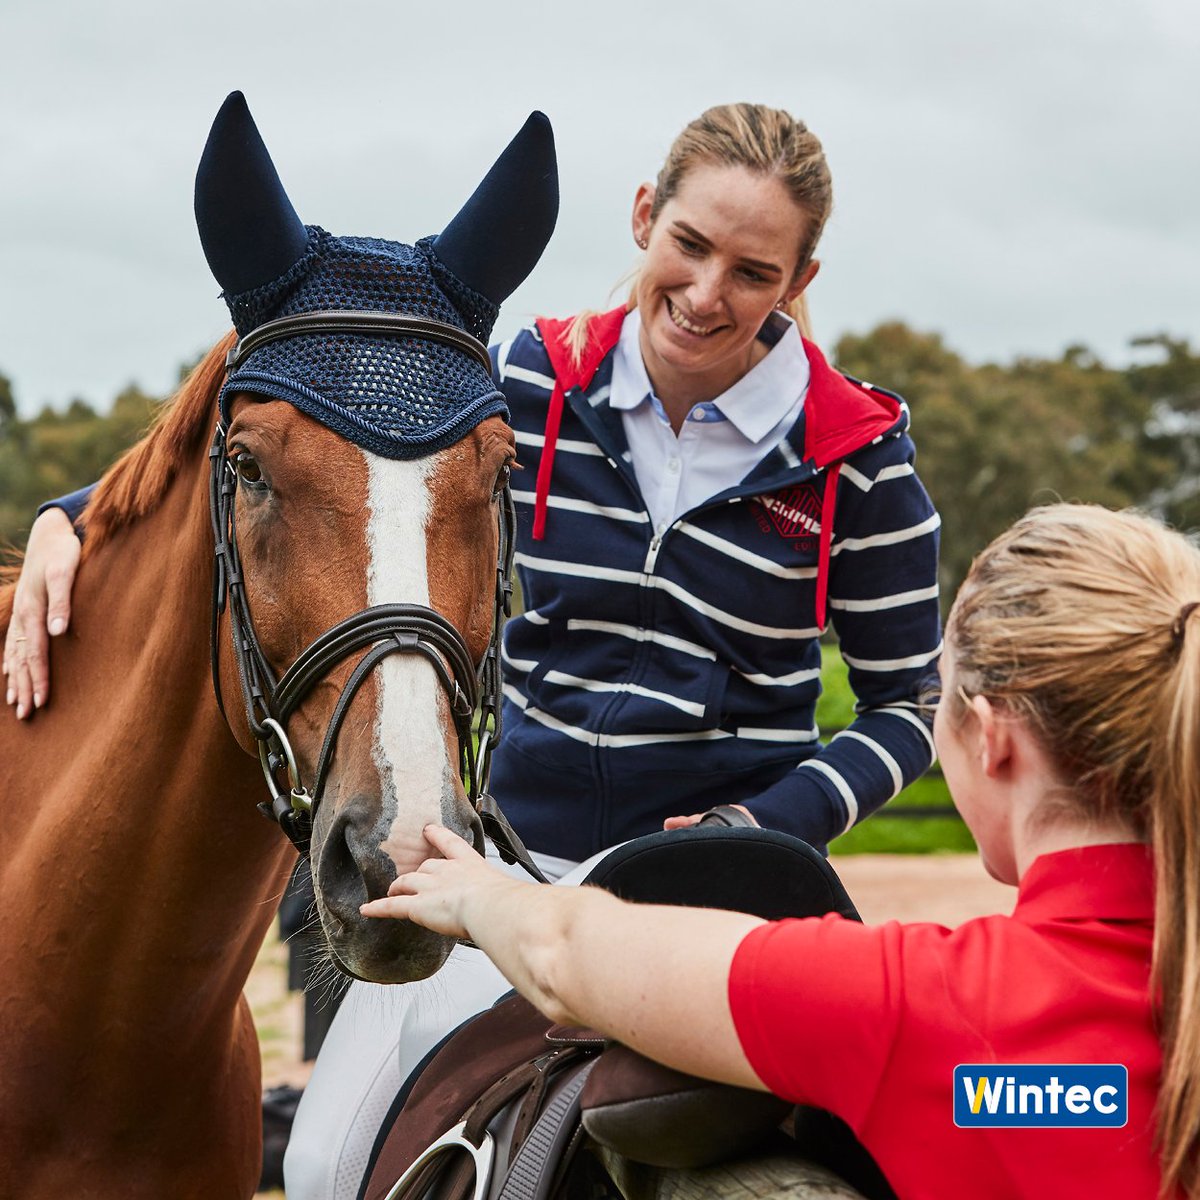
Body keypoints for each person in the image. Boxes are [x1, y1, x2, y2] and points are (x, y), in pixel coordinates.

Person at [3, 104, 943, 1196]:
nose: (706, 291)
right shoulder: (529, 383)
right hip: (501, 859)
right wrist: (80, 513)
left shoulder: (860, 458)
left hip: (720, 876)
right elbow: (341, 446)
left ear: (799, 276)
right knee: (320, 1163)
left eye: (752, 268)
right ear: (645, 218)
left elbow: (910, 703)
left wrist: (765, 823)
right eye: (689, 245)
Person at [362, 503, 1199, 1200]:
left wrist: (477, 893)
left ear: (993, 738)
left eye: (941, 698)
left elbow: (565, 953)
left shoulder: (929, 1014)